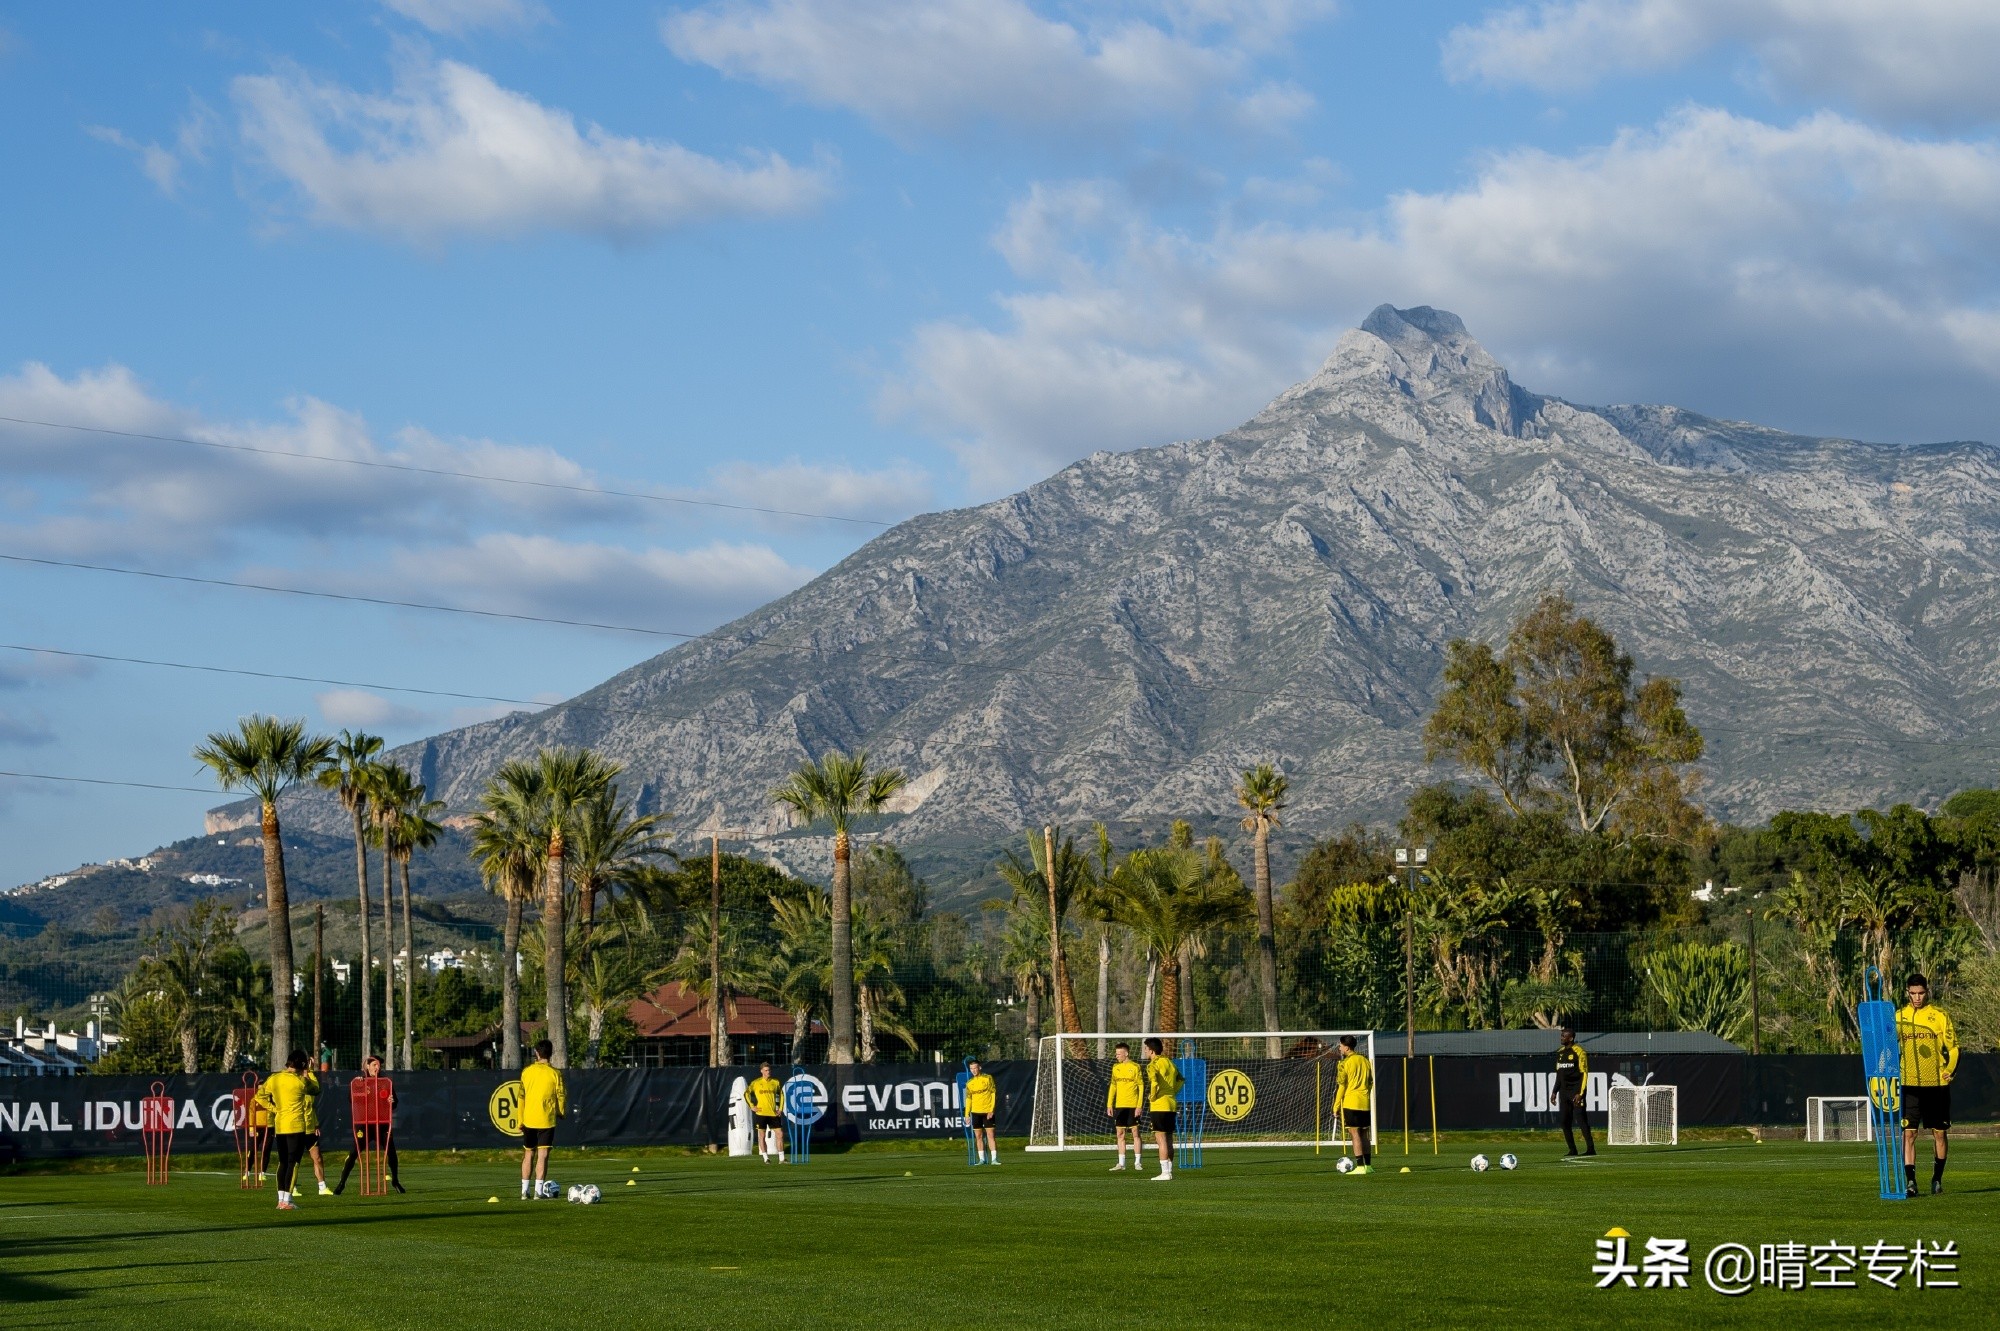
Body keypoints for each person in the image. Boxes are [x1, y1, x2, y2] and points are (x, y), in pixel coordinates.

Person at [1899, 974, 1958, 1197]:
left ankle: (1937, 1179)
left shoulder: (1939, 1016)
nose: (1917, 997)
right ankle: (1911, 1182)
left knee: (1940, 1134)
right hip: (1909, 1085)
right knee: (1908, 1134)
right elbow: (1887, 1045)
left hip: (1937, 1085)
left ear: (1927, 992)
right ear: (1907, 992)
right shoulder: (1899, 1017)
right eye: (1912, 993)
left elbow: (1953, 1048)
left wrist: (1949, 1070)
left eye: (1920, 993)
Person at [253, 1049, 317, 1212]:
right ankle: (287, 1200)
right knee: (293, 1163)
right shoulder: (300, 1081)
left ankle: (280, 1200)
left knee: (282, 1163)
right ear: (302, 1065)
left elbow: (259, 1097)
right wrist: (310, 1072)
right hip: (296, 1126)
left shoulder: (274, 1079)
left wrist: (274, 1109)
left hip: (280, 1125)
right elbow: (316, 1089)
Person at [335, 1053, 404, 1194]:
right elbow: (352, 1100)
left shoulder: (385, 1082)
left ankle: (395, 1181)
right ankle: (342, 1183)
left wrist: (392, 1101)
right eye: (374, 1065)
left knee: (391, 1152)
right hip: (364, 1124)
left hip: (382, 1123)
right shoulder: (359, 1082)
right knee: (354, 1152)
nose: (377, 1068)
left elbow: (395, 1103)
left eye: (379, 1065)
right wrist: (359, 1087)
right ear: (367, 1066)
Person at [519, 1038, 566, 1200]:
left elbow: (521, 1097)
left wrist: (520, 1119)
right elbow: (560, 1095)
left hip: (529, 1119)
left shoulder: (526, 1072)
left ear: (536, 1053)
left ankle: (524, 1191)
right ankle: (539, 1192)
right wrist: (561, 1112)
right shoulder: (555, 1074)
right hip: (546, 1119)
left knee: (528, 1154)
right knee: (543, 1154)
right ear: (551, 1054)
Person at [1143, 1037, 1182, 1182]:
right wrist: (1172, 1092)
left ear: (1151, 1051)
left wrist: (1152, 1096)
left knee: (1161, 1139)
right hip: (1171, 1103)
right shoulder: (1169, 1063)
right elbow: (1181, 1079)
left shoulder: (1152, 1065)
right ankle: (1169, 1171)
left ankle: (1165, 1173)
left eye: (1146, 1049)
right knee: (1169, 1138)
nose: (1145, 1051)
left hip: (1159, 1105)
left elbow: (1155, 1084)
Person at [1334, 1035, 1373, 1173]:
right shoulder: (1365, 1060)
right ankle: (1368, 1166)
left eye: (1340, 1045)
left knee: (1354, 1133)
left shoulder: (1344, 1064)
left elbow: (1342, 1087)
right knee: (1364, 1134)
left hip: (1351, 1103)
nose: (1339, 1048)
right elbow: (1370, 1082)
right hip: (1365, 1103)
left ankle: (1360, 1167)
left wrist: (1336, 1106)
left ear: (1347, 1047)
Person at [1555, 1027, 1595, 1158]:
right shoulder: (1560, 1053)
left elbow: (1584, 1074)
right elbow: (1559, 1075)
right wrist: (1554, 1091)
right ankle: (1572, 1150)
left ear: (1570, 1038)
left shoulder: (1579, 1052)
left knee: (1581, 1120)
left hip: (1576, 1092)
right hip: (1564, 1093)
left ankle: (1590, 1149)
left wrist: (1580, 1093)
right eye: (1561, 1036)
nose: (1561, 1038)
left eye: (1563, 1036)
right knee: (1564, 1121)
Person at [1105, 1041, 1145, 1171]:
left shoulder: (1135, 1067)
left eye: (1119, 1053)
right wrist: (1109, 1104)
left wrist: (1139, 1105)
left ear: (1126, 1053)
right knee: (1120, 1134)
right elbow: (1113, 1086)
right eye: (1116, 1054)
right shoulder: (1115, 1068)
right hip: (1120, 1106)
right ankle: (1121, 1164)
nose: (1116, 1056)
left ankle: (1137, 1162)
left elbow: (1141, 1086)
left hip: (1133, 1105)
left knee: (1135, 1133)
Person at [745, 1062, 785, 1163]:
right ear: (761, 1071)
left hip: (773, 1114)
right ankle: (766, 1158)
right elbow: (746, 1094)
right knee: (762, 1136)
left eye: (769, 1070)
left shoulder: (775, 1082)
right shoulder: (756, 1083)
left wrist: (780, 1108)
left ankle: (782, 1158)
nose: (768, 1072)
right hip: (761, 1113)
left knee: (780, 1134)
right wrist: (752, 1106)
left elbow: (781, 1095)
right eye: (766, 1070)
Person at [965, 1059, 999, 1165]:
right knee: (978, 1136)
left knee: (990, 1135)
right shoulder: (969, 1083)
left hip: (987, 1111)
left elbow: (993, 1094)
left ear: (979, 1067)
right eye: (971, 1069)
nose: (974, 1070)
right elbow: (968, 1099)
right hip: (975, 1112)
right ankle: (982, 1159)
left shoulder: (988, 1078)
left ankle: (994, 1159)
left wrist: (991, 1109)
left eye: (975, 1068)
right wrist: (966, 1114)